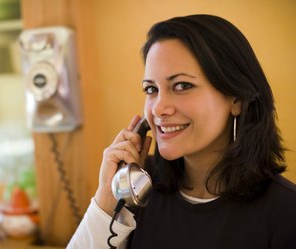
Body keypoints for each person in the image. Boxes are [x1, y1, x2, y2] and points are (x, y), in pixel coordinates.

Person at [67, 14, 296, 249]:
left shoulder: (287, 213)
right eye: (151, 88)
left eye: (182, 86)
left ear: (236, 99)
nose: (158, 108)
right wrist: (107, 199)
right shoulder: (136, 189)